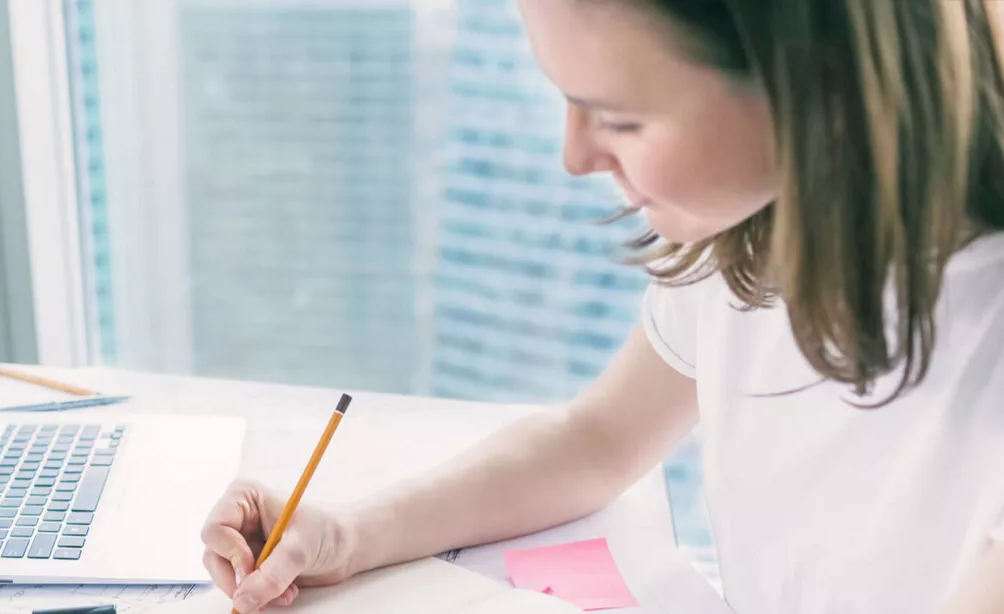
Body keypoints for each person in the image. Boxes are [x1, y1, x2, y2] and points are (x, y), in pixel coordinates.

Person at [199, 1, 1004, 612]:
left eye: (621, 118)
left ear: (822, 88)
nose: (575, 155)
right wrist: (347, 533)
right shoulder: (754, 239)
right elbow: (596, 440)